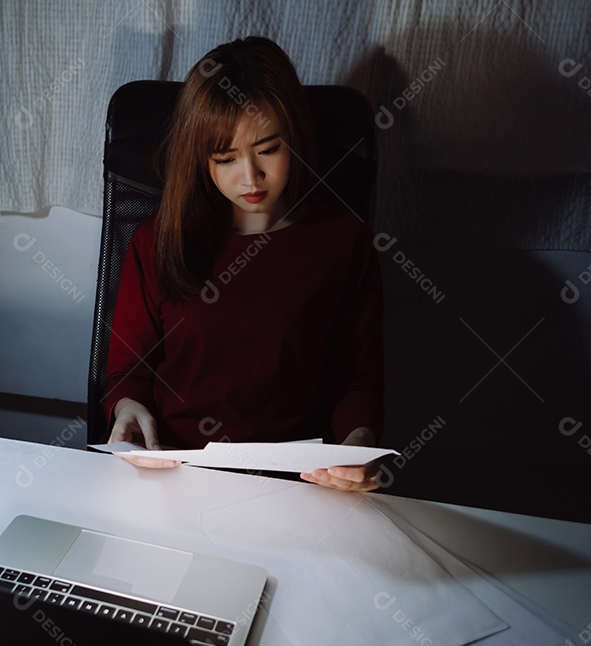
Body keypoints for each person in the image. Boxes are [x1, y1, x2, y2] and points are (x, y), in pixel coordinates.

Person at [105, 37, 384, 492]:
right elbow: (128, 371)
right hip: (174, 473)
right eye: (226, 158)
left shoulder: (344, 243)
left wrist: (359, 445)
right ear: (201, 160)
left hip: (297, 482)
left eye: (268, 150)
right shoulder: (156, 240)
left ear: (293, 137)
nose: (250, 178)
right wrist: (127, 407)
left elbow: (360, 382)